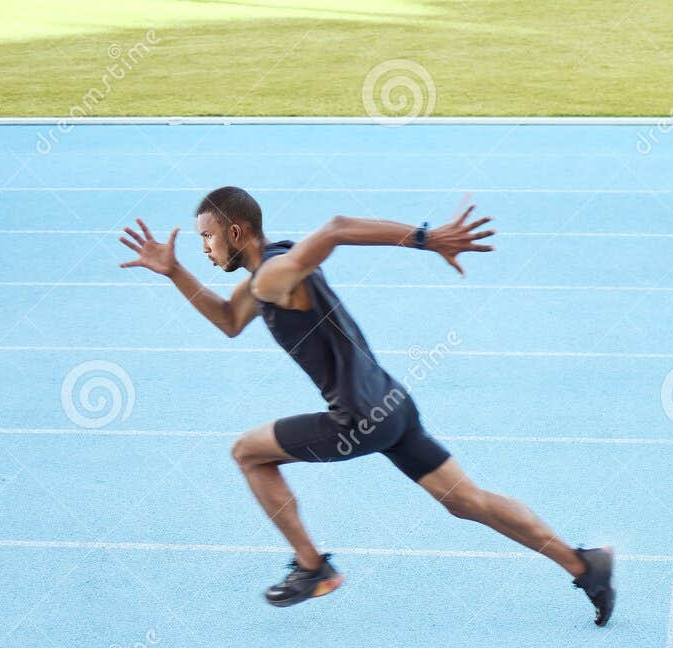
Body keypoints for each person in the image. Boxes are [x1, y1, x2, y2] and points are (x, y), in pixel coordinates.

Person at [118, 187, 614, 624]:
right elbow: (229, 320)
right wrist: (175, 271)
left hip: (357, 420)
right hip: (393, 404)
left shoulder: (274, 275)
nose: (204, 248)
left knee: (247, 453)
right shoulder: (266, 277)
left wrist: (428, 237)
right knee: (468, 501)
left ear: (234, 230)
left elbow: (336, 229)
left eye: (206, 238)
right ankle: (583, 564)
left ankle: (313, 567)